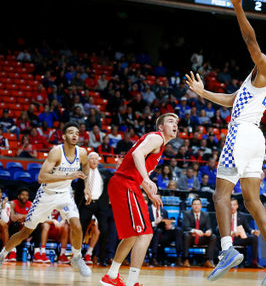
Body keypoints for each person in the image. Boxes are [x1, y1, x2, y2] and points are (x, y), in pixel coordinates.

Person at [185, 0, 266, 286]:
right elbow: (232, 100)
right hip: (255, 139)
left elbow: (250, 40)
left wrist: (237, 4)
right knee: (251, 200)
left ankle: (226, 250)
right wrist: (203, 91)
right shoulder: (259, 79)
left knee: (220, 195)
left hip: (241, 133)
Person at [0, 122, 91, 277]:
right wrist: (70, 176)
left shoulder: (82, 153)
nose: (75, 135)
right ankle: (4, 252)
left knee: (76, 224)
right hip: (46, 196)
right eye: (70, 132)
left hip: (65, 195)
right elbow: (41, 177)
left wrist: (87, 187)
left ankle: (77, 257)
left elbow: (87, 167)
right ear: (63, 136)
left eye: (76, 132)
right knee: (25, 232)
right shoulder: (56, 152)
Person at [101, 113, 178, 286]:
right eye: (170, 121)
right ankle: (131, 282)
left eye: (176, 122)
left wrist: (149, 191)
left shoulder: (158, 144)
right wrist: (148, 179)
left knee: (132, 234)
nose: (175, 125)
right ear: (160, 127)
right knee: (145, 232)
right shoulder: (156, 137)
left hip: (126, 183)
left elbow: (137, 167)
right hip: (125, 183)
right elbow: (137, 154)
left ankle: (111, 276)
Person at [75, 152, 113, 266]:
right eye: (91, 159)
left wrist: (118, 167)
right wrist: (77, 205)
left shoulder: (105, 172)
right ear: (88, 160)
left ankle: (102, 258)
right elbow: (77, 190)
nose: (94, 161)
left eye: (96, 159)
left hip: (100, 205)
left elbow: (115, 180)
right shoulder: (82, 172)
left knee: (104, 231)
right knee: (81, 229)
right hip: (87, 204)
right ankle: (77, 256)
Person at [145, 192, 183, 267]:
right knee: (158, 231)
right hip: (151, 235)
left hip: (163, 235)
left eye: (159, 198)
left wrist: (169, 226)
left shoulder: (164, 211)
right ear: (151, 199)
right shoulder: (147, 209)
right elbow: (144, 225)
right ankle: (153, 258)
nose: (157, 200)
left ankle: (179, 257)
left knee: (177, 230)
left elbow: (166, 224)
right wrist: (154, 222)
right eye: (155, 197)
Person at [226, 198, 262, 268]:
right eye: (230, 205)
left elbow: (247, 228)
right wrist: (231, 233)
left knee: (254, 238)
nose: (232, 207)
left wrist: (253, 231)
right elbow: (218, 229)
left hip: (239, 238)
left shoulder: (241, 216)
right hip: (228, 239)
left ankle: (254, 262)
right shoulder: (224, 215)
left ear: (237, 206)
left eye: (234, 205)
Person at [182, 197, 217, 268]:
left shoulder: (205, 214)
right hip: (191, 238)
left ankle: (208, 260)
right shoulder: (187, 214)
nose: (196, 206)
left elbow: (209, 227)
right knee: (186, 235)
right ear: (191, 206)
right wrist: (195, 231)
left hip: (200, 237)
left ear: (201, 206)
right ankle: (185, 259)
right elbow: (186, 227)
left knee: (213, 237)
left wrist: (209, 231)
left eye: (198, 204)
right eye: (194, 204)